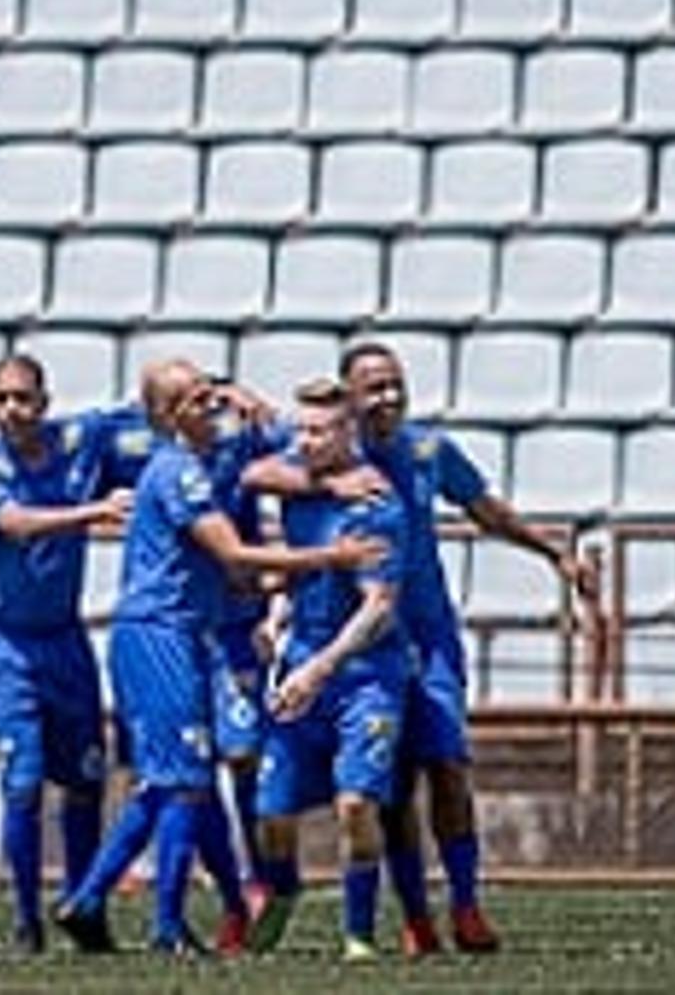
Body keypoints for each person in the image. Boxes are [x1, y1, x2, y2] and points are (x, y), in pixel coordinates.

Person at [249, 342, 598, 955]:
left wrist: (553, 552)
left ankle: (464, 903)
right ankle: (414, 918)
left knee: (448, 764)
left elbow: (483, 507)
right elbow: (255, 453)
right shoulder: (319, 447)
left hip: (424, 636)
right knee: (390, 787)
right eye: (373, 388)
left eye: (395, 385)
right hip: (360, 641)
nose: (387, 397)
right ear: (349, 403)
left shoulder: (427, 450)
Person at [52, 360, 386, 956]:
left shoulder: (209, 459)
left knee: (174, 782)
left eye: (211, 394)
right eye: (193, 400)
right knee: (183, 784)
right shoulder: (178, 472)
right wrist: (329, 557)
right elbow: (234, 551)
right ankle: (163, 925)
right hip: (159, 635)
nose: (212, 407)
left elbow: (275, 467)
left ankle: (91, 900)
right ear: (165, 416)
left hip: (180, 633)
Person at [0, 354, 140, 953]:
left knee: (86, 780)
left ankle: (84, 909)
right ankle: (26, 919)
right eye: (1, 399)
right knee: (25, 780)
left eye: (23, 398)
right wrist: (96, 511)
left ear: (45, 401)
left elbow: (149, 410)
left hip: (63, 639)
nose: (12, 410)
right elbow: (16, 523)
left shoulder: (82, 439)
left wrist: (219, 394)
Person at [244, 378, 410, 962]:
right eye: (302, 431)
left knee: (356, 804)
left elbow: (379, 605)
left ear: (349, 432)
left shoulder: (377, 504)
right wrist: (276, 615)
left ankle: (359, 933)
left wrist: (318, 669)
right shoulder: (302, 483)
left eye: (319, 432)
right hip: (301, 660)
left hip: (365, 673)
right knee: (270, 815)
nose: (306, 442)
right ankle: (284, 889)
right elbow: (255, 477)